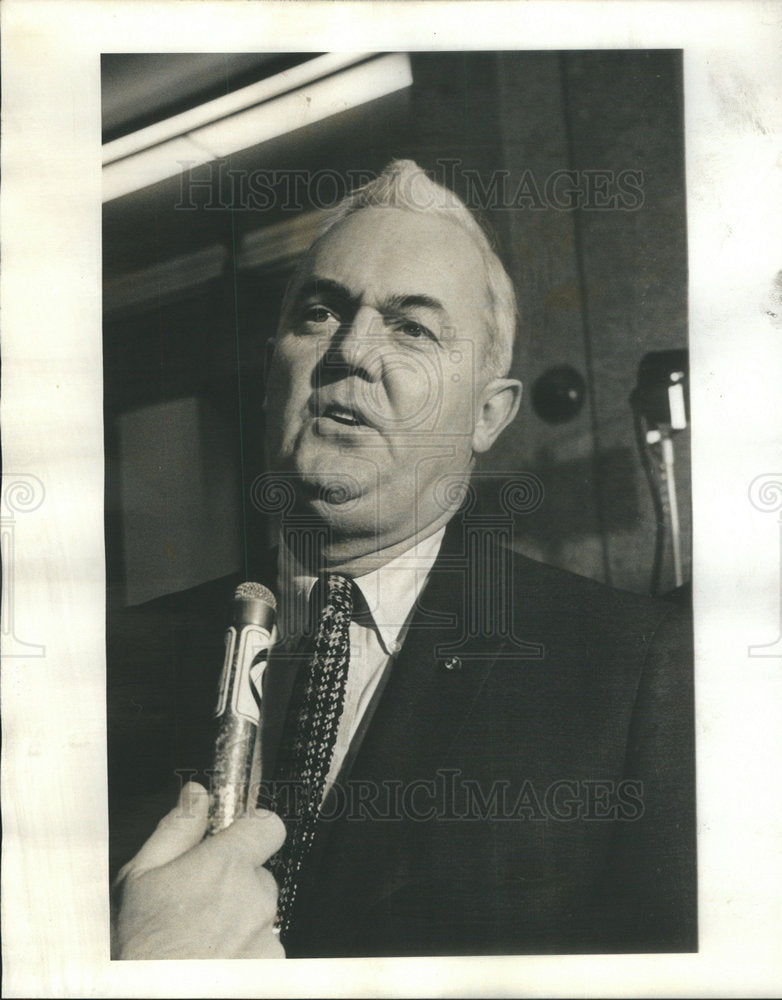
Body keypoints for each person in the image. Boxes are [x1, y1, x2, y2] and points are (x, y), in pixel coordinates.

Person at [109, 160, 696, 959]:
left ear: (488, 415)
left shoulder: (630, 671)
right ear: (268, 372)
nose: (351, 350)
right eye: (320, 312)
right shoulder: (113, 667)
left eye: (413, 327)